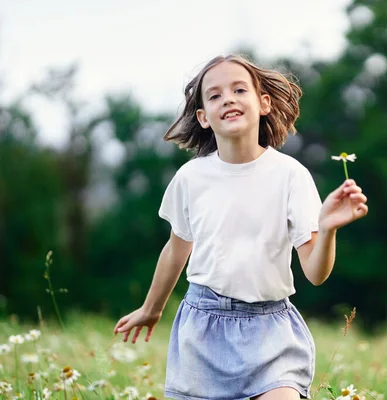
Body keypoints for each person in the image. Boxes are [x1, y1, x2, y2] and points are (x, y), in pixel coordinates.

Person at [113, 54, 368, 400]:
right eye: (215, 95)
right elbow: (176, 251)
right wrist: (151, 309)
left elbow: (315, 272)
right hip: (203, 330)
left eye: (238, 89)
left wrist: (327, 230)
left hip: (271, 331)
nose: (228, 99)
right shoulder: (191, 178)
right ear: (203, 117)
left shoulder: (290, 176)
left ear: (262, 103)